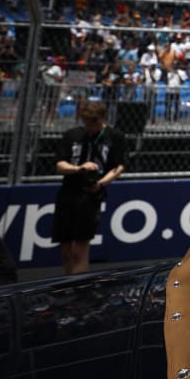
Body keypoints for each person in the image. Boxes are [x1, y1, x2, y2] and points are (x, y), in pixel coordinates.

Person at [53, 101, 127, 274]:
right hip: (69, 191)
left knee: (80, 247)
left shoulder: (114, 136)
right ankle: (67, 282)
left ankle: (78, 289)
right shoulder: (73, 135)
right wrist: (79, 169)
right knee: (66, 248)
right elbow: (59, 164)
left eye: (94, 123)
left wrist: (101, 183)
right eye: (87, 123)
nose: (90, 127)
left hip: (91, 195)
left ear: (102, 119)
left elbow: (119, 166)